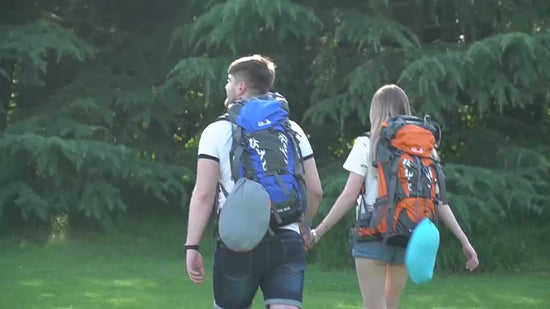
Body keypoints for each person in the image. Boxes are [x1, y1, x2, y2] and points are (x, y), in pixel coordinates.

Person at [307, 84, 479, 309]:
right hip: (409, 234)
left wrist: (318, 232)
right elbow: (439, 201)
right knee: (392, 305)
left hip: (372, 234)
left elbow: (349, 195)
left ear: (376, 110)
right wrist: (464, 241)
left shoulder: (367, 144)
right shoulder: (424, 149)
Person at [185, 54, 323, 309]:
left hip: (238, 241)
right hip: (287, 237)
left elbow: (203, 194)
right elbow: (315, 190)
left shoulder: (217, 131)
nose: (226, 87)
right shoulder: (291, 128)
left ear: (240, 87)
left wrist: (192, 245)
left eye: (229, 81)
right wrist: (304, 227)